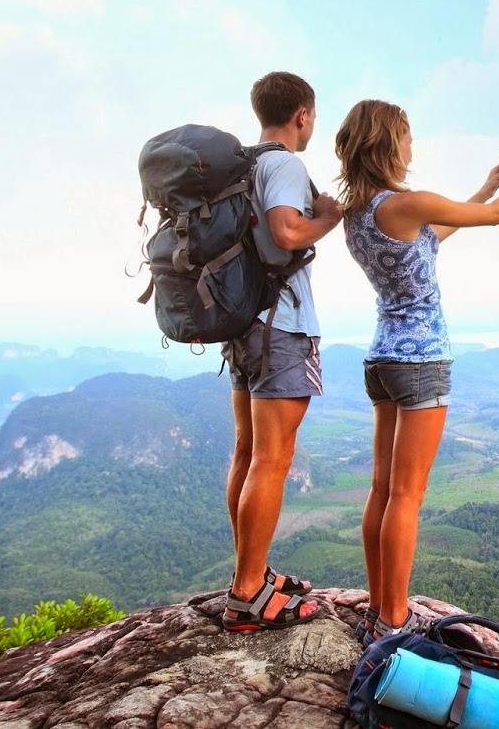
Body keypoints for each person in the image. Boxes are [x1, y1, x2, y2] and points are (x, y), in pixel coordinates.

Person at [333, 99, 499, 642]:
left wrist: (486, 186)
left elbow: (434, 235)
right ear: (387, 143)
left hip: (381, 360)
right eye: (406, 136)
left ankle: (380, 609)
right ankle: (394, 620)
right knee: (406, 496)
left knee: (381, 489)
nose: (411, 146)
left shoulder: (359, 215)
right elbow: (495, 219)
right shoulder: (407, 202)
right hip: (421, 362)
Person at [220, 71, 343, 631]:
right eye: (312, 117)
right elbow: (288, 232)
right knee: (273, 458)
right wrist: (328, 219)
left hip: (243, 323)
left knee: (247, 452)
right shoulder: (285, 164)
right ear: (303, 115)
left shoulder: (241, 164)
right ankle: (249, 593)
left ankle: (254, 572)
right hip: (281, 327)